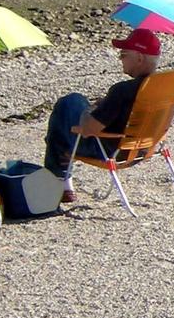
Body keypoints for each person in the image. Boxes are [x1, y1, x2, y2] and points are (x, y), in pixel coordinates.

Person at [44, 28, 162, 202]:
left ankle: (59, 182)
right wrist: (107, 104)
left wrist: (89, 110)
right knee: (71, 109)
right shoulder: (163, 86)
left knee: (68, 106)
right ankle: (62, 182)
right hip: (143, 148)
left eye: (123, 54)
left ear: (139, 58)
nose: (120, 59)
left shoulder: (122, 90)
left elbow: (89, 129)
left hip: (110, 149)